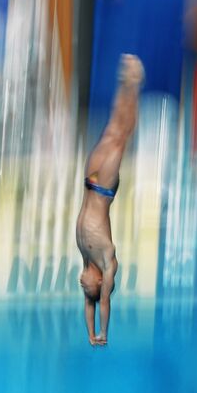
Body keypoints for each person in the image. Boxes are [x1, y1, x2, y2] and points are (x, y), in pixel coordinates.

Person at [77, 54, 144, 346]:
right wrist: (103, 333)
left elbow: (87, 306)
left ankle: (125, 79)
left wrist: (89, 334)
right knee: (122, 137)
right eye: (87, 287)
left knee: (111, 128)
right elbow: (100, 304)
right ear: (100, 284)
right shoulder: (107, 263)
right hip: (104, 188)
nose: (81, 284)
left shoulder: (84, 258)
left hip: (89, 181)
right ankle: (136, 85)